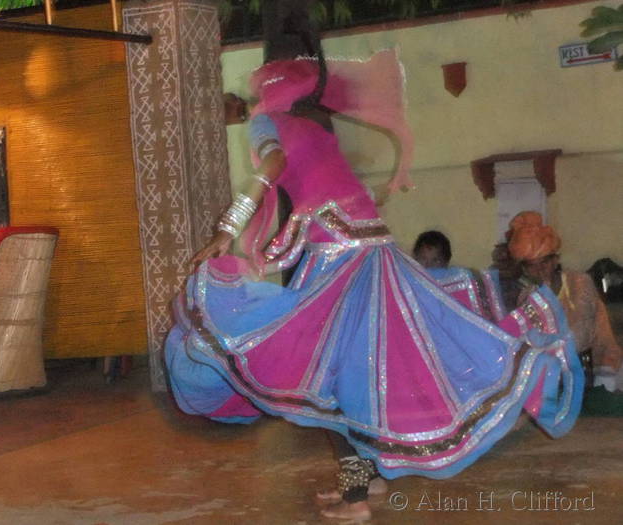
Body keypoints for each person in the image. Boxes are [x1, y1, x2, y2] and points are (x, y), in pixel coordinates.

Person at [165, 18, 582, 522]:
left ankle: (357, 500)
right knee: (364, 372)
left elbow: (272, 168)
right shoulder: (316, 123)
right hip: (369, 247)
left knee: (325, 384)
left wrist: (227, 227)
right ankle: (369, 485)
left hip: (342, 258)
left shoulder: (267, 122)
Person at [507, 211, 623, 389]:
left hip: (593, 371)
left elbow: (596, 332)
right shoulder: (526, 298)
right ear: (524, 269)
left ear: (555, 260)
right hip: (550, 377)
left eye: (544, 262)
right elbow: (525, 347)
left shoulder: (580, 284)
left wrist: (606, 367)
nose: (539, 271)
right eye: (532, 266)